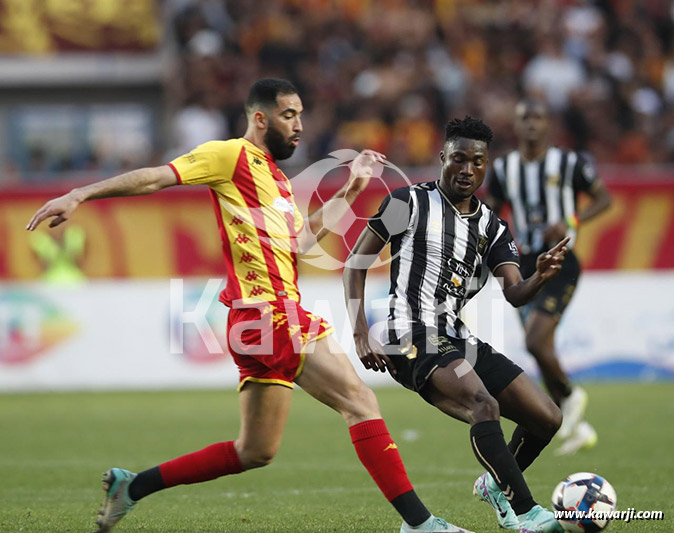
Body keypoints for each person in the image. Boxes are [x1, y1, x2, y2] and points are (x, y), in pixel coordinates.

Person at [26, 79, 470, 533]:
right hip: (270, 313)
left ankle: (132, 487)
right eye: (288, 115)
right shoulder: (229, 155)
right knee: (360, 402)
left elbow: (299, 242)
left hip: (254, 322)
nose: (299, 125)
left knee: (254, 451)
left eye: (300, 115)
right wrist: (78, 194)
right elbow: (157, 177)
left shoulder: (276, 179)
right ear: (260, 118)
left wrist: (353, 186)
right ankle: (420, 524)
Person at [344, 116, 567, 533]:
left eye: (477, 162)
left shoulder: (493, 227)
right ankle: (526, 512)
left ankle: (496, 486)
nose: (467, 170)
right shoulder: (406, 203)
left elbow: (514, 292)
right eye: (459, 159)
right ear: (442, 157)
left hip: (455, 336)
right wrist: (359, 330)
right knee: (484, 405)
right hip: (408, 333)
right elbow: (355, 263)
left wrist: (541, 276)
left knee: (547, 418)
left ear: (487, 166)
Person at [485, 99, 611, 455]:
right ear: (516, 123)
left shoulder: (569, 163)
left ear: (547, 125)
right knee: (539, 347)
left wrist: (571, 222)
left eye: (537, 118)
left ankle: (571, 399)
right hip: (520, 265)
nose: (531, 125)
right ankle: (577, 426)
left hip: (559, 263)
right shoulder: (504, 168)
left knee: (536, 342)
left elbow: (604, 199)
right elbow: (492, 210)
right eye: (525, 118)